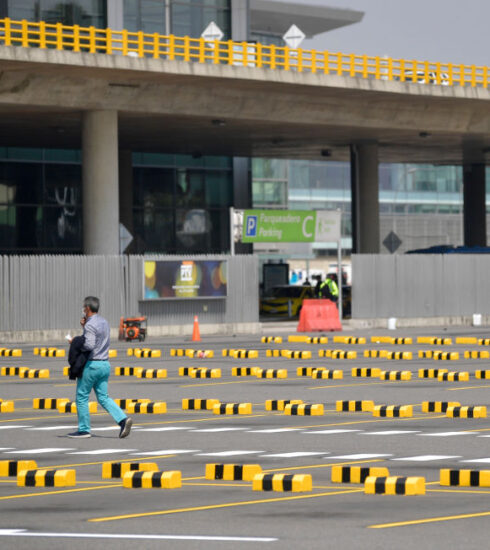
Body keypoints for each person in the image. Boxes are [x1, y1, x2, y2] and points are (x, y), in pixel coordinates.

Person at [67, 296, 132, 439]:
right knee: (103, 397)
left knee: (82, 396)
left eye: (84, 307)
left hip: (92, 365)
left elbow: (89, 344)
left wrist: (75, 342)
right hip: (105, 364)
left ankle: (84, 430)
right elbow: (98, 339)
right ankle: (122, 420)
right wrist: (84, 327)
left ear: (88, 308)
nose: (83, 309)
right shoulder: (104, 322)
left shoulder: (90, 325)